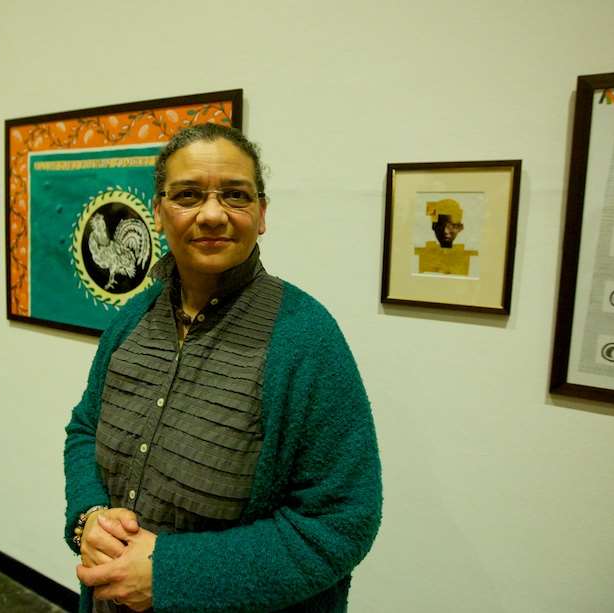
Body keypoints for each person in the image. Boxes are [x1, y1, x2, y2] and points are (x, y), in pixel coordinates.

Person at [64, 123, 382, 612]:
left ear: (261, 213)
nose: (212, 214)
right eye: (188, 195)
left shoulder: (305, 337)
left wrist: (171, 573)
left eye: (235, 195)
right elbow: (85, 427)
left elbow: (340, 520)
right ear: (158, 210)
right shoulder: (132, 319)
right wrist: (89, 517)